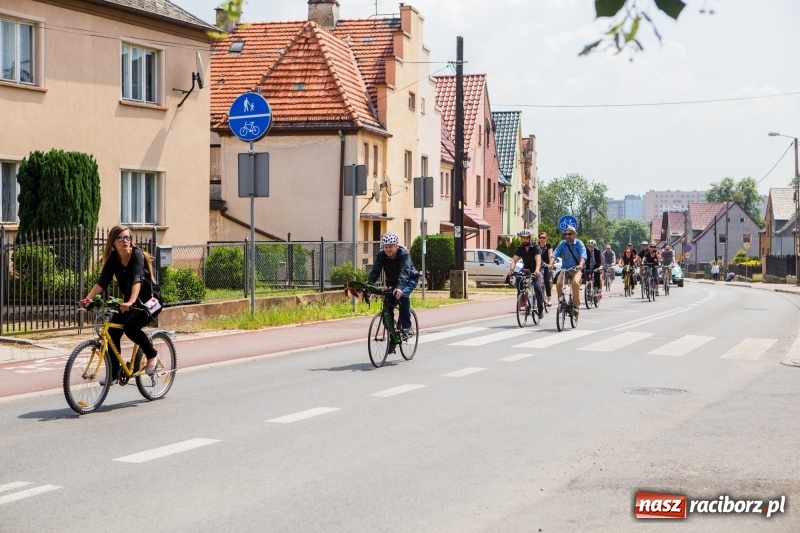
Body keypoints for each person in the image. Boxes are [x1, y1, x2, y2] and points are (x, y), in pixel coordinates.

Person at [80, 226, 161, 383]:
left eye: (128, 237)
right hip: (130, 303)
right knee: (111, 330)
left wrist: (130, 301)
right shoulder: (113, 259)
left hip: (149, 302)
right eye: (121, 238)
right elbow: (102, 282)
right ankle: (114, 372)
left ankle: (152, 354)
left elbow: (137, 279)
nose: (126, 241)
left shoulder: (137, 255)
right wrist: (88, 298)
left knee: (131, 328)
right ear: (113, 242)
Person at [368, 232, 419, 335]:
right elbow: (375, 271)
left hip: (409, 279)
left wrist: (400, 287)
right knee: (387, 305)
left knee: (403, 296)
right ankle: (392, 334)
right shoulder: (381, 255)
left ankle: (406, 326)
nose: (388, 250)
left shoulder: (403, 254)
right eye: (385, 247)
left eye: (390, 247)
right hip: (392, 283)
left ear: (396, 245)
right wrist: (368, 285)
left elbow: (404, 272)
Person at [508, 229, 545, 318]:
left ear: (529, 238)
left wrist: (537, 270)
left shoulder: (535, 247)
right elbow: (514, 260)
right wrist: (512, 269)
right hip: (526, 269)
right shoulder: (520, 248)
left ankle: (540, 309)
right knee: (518, 279)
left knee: (537, 287)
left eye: (526, 238)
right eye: (523, 238)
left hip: (538, 269)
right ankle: (522, 299)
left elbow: (538, 260)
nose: (524, 240)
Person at [549, 225, 586, 313]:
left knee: (575, 283)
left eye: (569, 234)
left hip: (576, 269)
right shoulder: (562, 244)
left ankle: (576, 306)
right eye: (565, 234)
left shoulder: (579, 243)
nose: (567, 236)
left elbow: (583, 256)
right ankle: (561, 302)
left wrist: (580, 265)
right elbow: (555, 254)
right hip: (565, 269)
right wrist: (551, 263)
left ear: (574, 234)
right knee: (558, 283)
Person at [538, 232, 554, 305]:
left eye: (543, 238)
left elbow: (550, 255)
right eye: (540, 237)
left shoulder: (548, 246)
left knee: (547, 281)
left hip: (547, 265)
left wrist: (550, 264)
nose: (542, 239)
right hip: (538, 265)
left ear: (546, 238)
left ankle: (549, 299)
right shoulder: (536, 246)